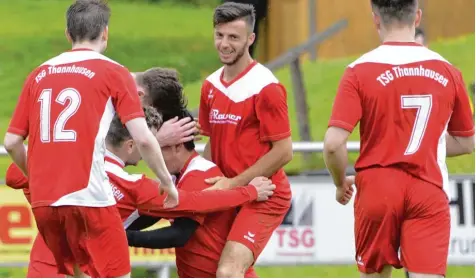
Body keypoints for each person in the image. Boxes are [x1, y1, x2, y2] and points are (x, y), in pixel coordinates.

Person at [3, 0, 176, 277]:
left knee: (78, 273)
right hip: (90, 198)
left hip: (45, 204)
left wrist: (34, 178)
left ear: (68, 34)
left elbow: (11, 142)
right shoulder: (113, 71)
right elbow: (142, 137)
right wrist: (168, 183)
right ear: (105, 33)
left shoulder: (38, 74)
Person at [5, 106, 275, 278]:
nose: (152, 150)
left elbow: (13, 175)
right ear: (134, 144)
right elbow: (192, 203)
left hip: (42, 267)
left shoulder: (71, 162)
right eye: (150, 144)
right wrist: (247, 192)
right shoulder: (132, 184)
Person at [323, 0, 475, 278]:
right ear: (417, 16)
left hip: (378, 188)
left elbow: (333, 144)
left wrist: (338, 182)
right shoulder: (449, 71)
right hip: (428, 188)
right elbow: (467, 142)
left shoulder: (359, 70)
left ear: (375, 19)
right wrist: (427, 147)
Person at [198, 2, 293, 277]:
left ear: (251, 39)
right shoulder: (210, 85)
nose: (224, 44)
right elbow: (212, 146)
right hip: (230, 193)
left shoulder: (267, 87)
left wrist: (235, 184)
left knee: (228, 272)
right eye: (219, 35)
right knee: (214, 268)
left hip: (265, 195)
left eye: (233, 37)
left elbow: (284, 151)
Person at [126, 110, 260, 278]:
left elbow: (179, 234)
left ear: (177, 146)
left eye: (157, 149)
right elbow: (151, 213)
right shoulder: (177, 176)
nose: (150, 158)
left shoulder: (199, 174)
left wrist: (124, 237)